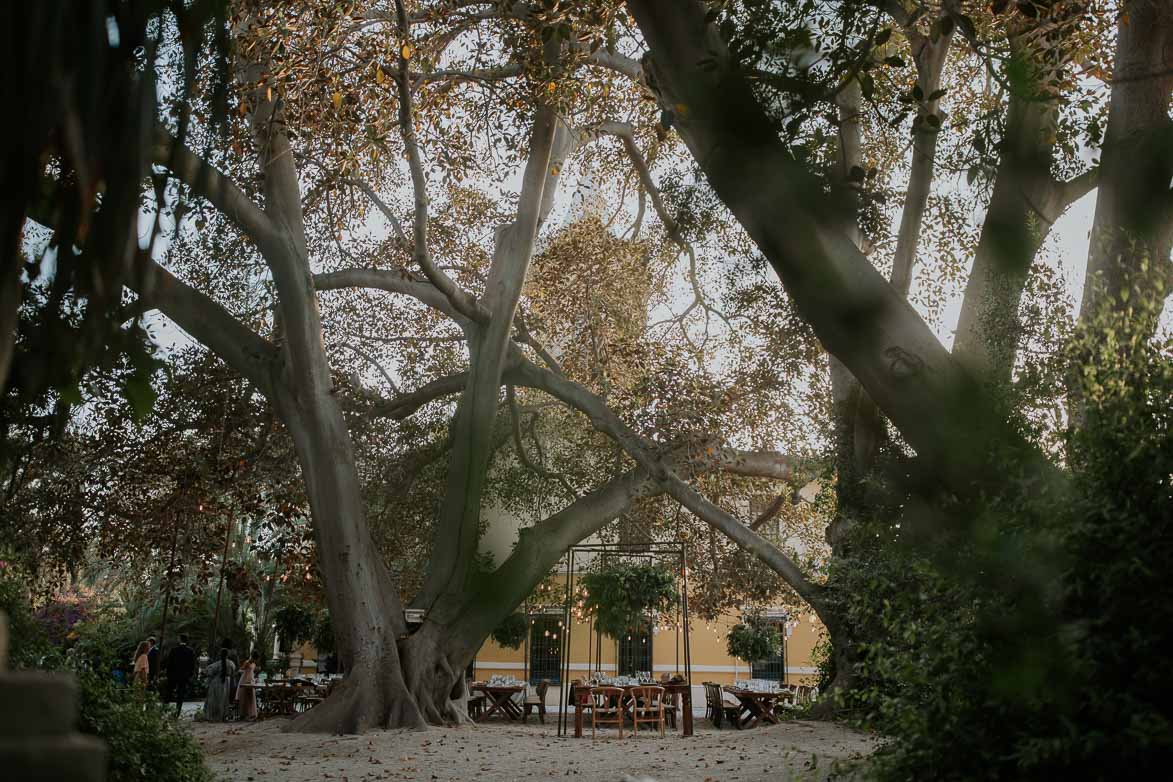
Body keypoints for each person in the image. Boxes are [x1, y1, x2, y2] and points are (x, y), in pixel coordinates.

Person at [165, 634, 197, 718]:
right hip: (184, 676)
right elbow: (192, 665)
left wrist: (168, 674)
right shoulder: (190, 651)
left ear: (180, 640)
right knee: (180, 694)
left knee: (169, 692)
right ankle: (177, 713)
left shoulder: (174, 650)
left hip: (173, 675)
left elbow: (169, 663)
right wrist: (190, 675)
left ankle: (164, 710)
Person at [204, 647, 237, 721]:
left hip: (216, 683)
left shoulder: (217, 664)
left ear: (220, 654)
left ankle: (214, 716)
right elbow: (234, 672)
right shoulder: (231, 663)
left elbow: (208, 671)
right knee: (224, 700)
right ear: (227, 655)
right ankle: (223, 716)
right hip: (227, 683)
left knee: (214, 700)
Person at [235, 654, 258, 720]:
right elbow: (241, 669)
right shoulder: (247, 662)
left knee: (251, 696)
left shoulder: (254, 663)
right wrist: (245, 668)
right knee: (244, 696)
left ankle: (251, 713)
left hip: (251, 679)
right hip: (245, 679)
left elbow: (252, 671)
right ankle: (243, 713)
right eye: (254, 659)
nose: (255, 660)